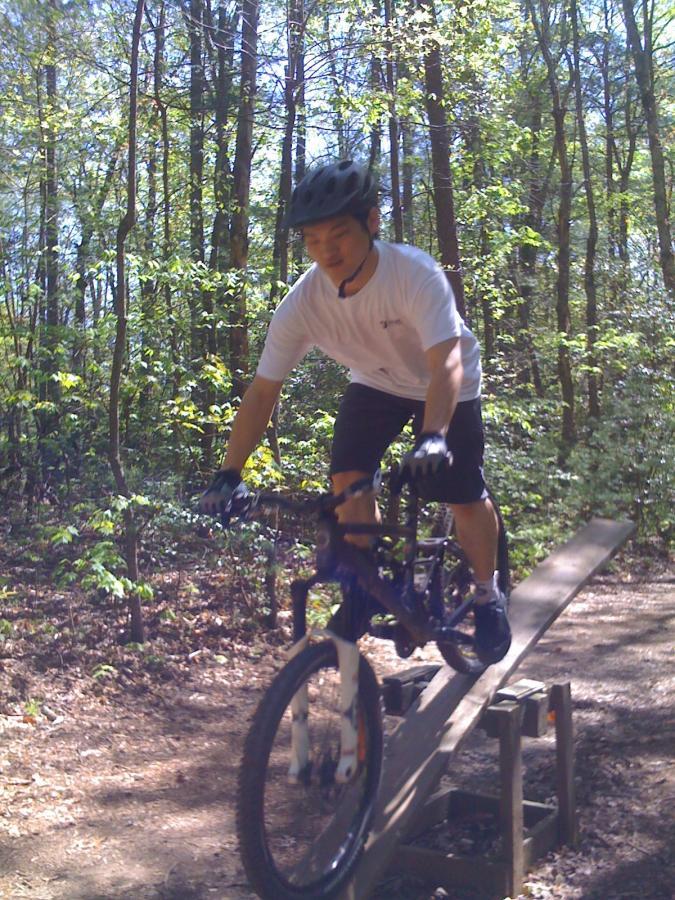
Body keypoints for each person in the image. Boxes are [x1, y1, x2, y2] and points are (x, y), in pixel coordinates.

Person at [199, 159, 511, 664]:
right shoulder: (303, 304)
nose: (327, 251)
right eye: (313, 240)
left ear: (371, 222)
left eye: (338, 235)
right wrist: (229, 473)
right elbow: (261, 393)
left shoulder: (413, 273)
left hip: (445, 379)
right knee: (348, 479)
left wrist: (433, 435)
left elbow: (447, 361)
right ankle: (366, 589)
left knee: (459, 493)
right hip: (377, 384)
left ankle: (486, 592)